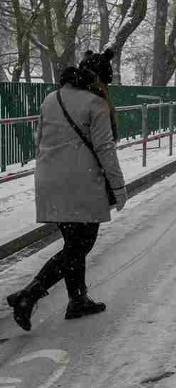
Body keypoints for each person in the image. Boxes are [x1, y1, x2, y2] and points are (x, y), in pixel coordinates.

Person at [6, 49, 128, 331]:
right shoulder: (96, 104)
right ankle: (29, 295)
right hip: (81, 183)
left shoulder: (52, 98)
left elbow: (40, 140)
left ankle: (78, 299)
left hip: (50, 180)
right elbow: (105, 149)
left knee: (74, 243)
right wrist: (119, 188)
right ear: (99, 80)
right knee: (80, 246)